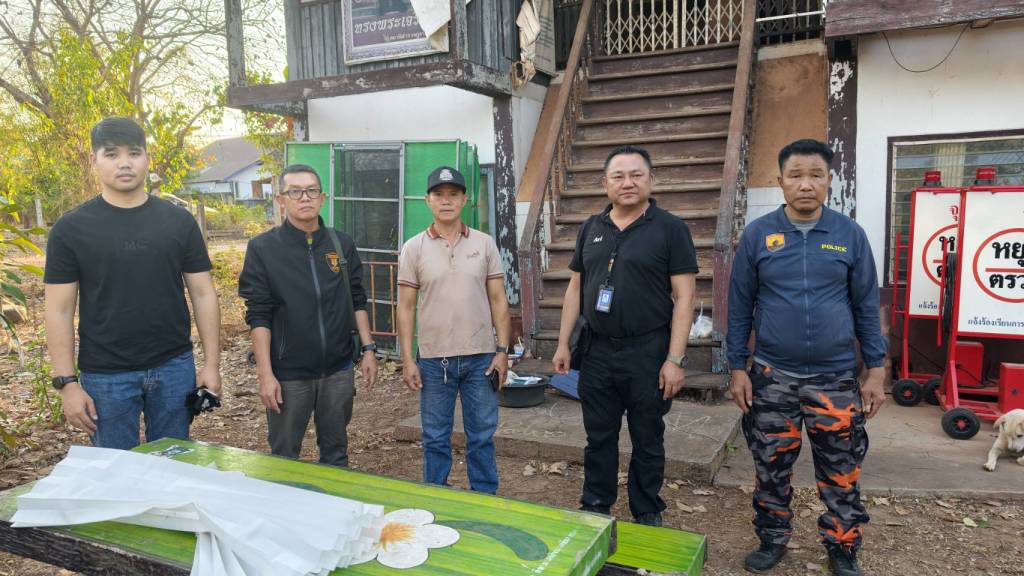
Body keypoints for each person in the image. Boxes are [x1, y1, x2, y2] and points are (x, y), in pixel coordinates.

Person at [727, 139, 887, 576]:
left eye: (815, 175)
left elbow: (866, 306)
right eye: (795, 175)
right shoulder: (758, 235)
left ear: (829, 181)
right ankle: (772, 538)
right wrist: (738, 367)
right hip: (772, 376)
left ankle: (842, 547)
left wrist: (876, 371)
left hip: (835, 379)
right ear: (780, 181)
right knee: (771, 466)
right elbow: (739, 307)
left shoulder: (849, 235)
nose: (805, 184)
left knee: (841, 468)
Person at [44, 117, 221, 449]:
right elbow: (58, 310)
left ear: (146, 158)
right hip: (106, 374)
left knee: (172, 460)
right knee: (115, 469)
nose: (124, 163)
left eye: (134, 153)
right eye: (111, 154)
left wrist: (212, 365)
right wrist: (67, 384)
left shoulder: (178, 222)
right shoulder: (71, 229)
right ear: (94, 160)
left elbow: (203, 294)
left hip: (173, 366)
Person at [552, 145, 698, 527]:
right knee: (599, 434)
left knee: (647, 435)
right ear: (605, 184)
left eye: (636, 175)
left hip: (648, 351)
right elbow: (574, 288)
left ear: (651, 180)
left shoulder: (670, 229)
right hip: (597, 351)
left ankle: (646, 508)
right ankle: (596, 503)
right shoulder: (591, 228)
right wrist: (563, 343)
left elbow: (684, 297)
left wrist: (675, 359)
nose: (627, 183)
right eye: (618, 176)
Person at [238, 164, 378, 467]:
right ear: (281, 200)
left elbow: (357, 299)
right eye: (295, 192)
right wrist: (265, 374)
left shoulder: (341, 244)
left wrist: (368, 349)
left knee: (336, 454)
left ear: (323, 197)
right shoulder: (263, 248)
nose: (305, 198)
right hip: (289, 374)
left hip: (338, 370)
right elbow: (258, 314)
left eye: (312, 191)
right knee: (285, 457)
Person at [397, 166, 510, 494]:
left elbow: (499, 300)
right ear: (428, 200)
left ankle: (485, 499)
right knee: (435, 437)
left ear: (465, 200)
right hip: (434, 361)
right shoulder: (414, 248)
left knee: (481, 436)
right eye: (439, 195)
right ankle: (437, 499)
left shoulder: (484, 244)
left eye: (453, 194)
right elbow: (405, 307)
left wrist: (502, 351)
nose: (446, 201)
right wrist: (408, 359)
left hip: (481, 359)